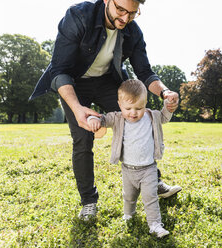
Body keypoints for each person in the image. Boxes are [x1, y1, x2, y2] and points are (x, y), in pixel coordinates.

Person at [29, 0, 181, 220]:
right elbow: (59, 70)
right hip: (73, 83)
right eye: (120, 9)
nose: (125, 18)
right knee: (82, 139)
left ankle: (153, 181)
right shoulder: (78, 16)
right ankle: (89, 202)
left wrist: (165, 92)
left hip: (108, 82)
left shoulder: (132, 31)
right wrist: (77, 108)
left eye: (132, 13)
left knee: (137, 121)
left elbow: (145, 72)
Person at [88, 79, 172, 237]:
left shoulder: (152, 116)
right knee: (129, 196)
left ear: (145, 103)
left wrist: (168, 106)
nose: (133, 113)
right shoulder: (118, 118)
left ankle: (155, 225)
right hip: (127, 169)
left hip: (148, 168)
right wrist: (94, 120)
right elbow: (103, 119)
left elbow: (165, 117)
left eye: (139, 108)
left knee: (150, 197)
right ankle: (129, 215)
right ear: (119, 104)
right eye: (128, 108)